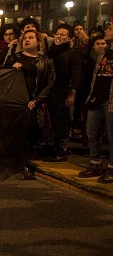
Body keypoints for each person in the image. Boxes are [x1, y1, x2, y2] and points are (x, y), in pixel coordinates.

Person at [6, 30, 55, 179]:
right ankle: (16, 163)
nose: (27, 40)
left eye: (30, 38)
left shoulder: (46, 61)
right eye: (25, 38)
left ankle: (24, 161)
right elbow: (3, 77)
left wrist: (37, 100)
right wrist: (13, 70)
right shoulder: (15, 58)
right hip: (17, 102)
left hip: (34, 102)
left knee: (32, 133)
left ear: (38, 42)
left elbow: (51, 82)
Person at [80, 28, 113, 183]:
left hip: (111, 100)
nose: (106, 30)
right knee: (92, 132)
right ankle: (95, 164)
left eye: (110, 29)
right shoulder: (103, 53)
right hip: (96, 97)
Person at [44, 23, 82, 161]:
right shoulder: (50, 52)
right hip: (51, 91)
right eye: (58, 34)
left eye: (63, 35)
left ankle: (62, 150)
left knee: (62, 120)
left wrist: (72, 93)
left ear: (69, 38)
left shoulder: (72, 54)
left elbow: (76, 75)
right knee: (51, 119)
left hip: (63, 91)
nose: (59, 37)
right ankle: (51, 147)